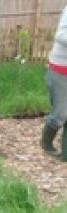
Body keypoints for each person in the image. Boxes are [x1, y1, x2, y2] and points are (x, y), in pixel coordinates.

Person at [41, 5, 67, 160]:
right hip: (60, 69)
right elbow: (61, 35)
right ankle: (46, 143)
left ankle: (66, 154)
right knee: (60, 114)